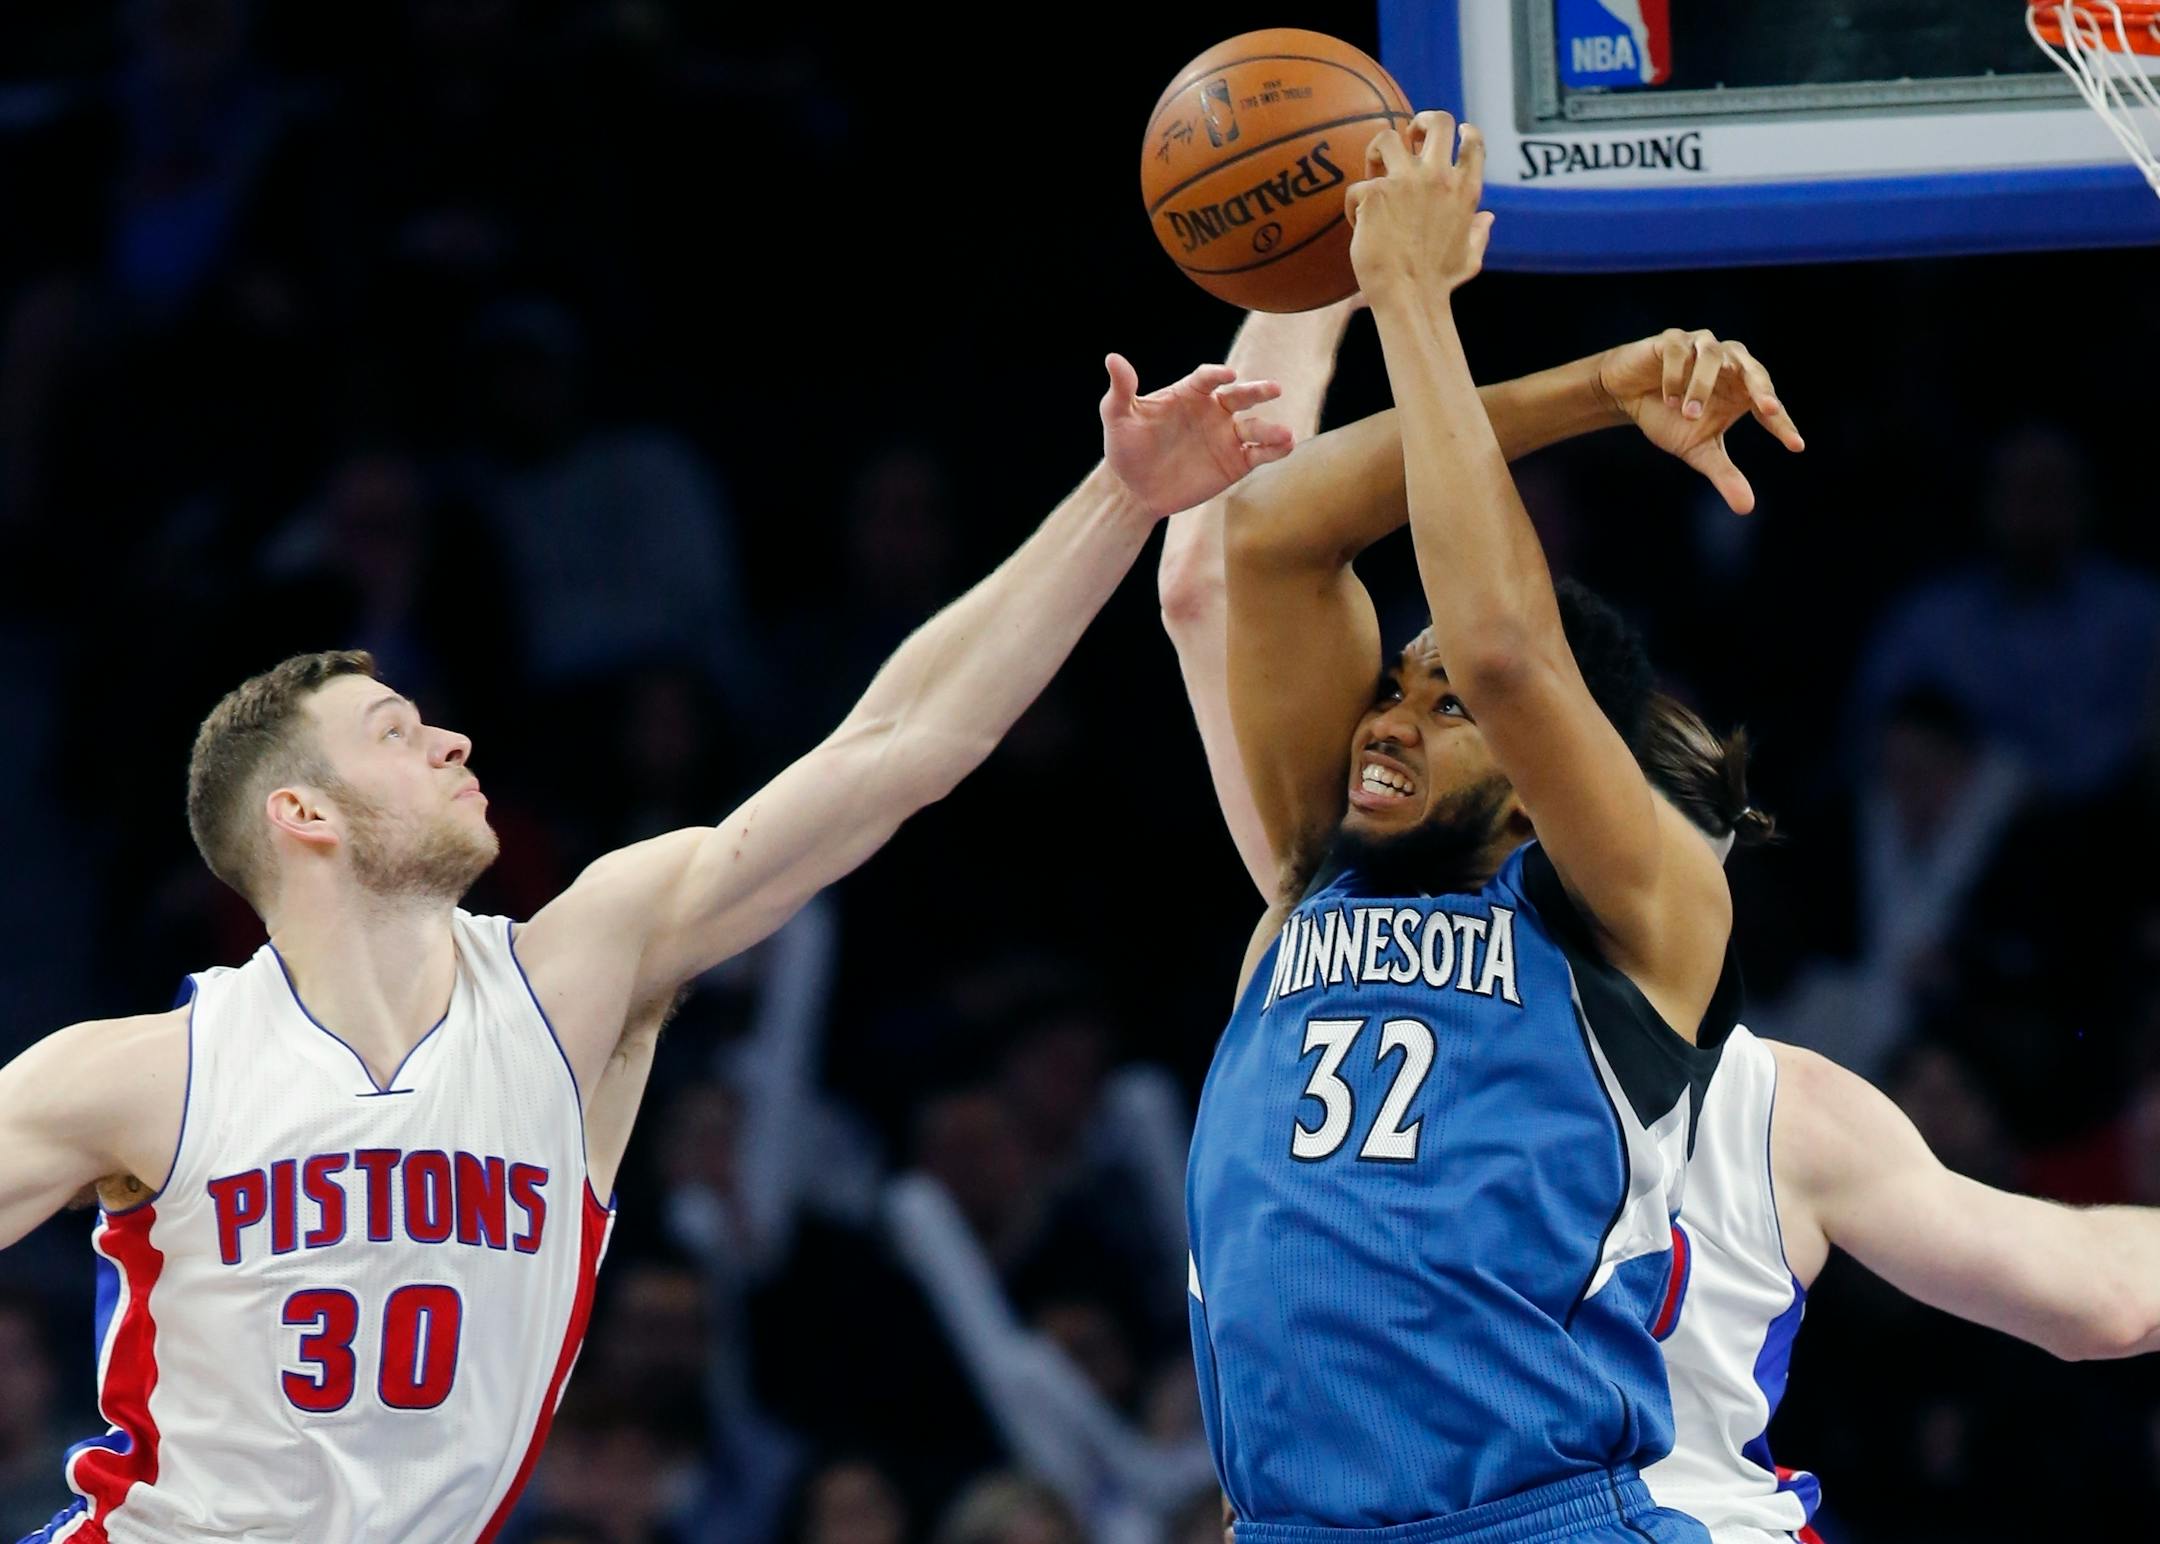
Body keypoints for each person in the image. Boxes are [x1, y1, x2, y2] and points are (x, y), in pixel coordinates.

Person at [0, 349, 1293, 1544]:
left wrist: (1119, 500)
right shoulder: (142, 1073)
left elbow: (897, 751)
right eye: (395, 732)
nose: (452, 742)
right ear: (302, 814)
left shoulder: (572, 978)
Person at [1178, 110, 1802, 1541]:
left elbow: (1511, 652)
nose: (1386, 720)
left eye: (1439, 710)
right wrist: (1594, 384)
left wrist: (1406, 298)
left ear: (1539, 769)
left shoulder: (1642, 917)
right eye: (1393, 687)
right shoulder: (1309, 888)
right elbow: (1270, 530)